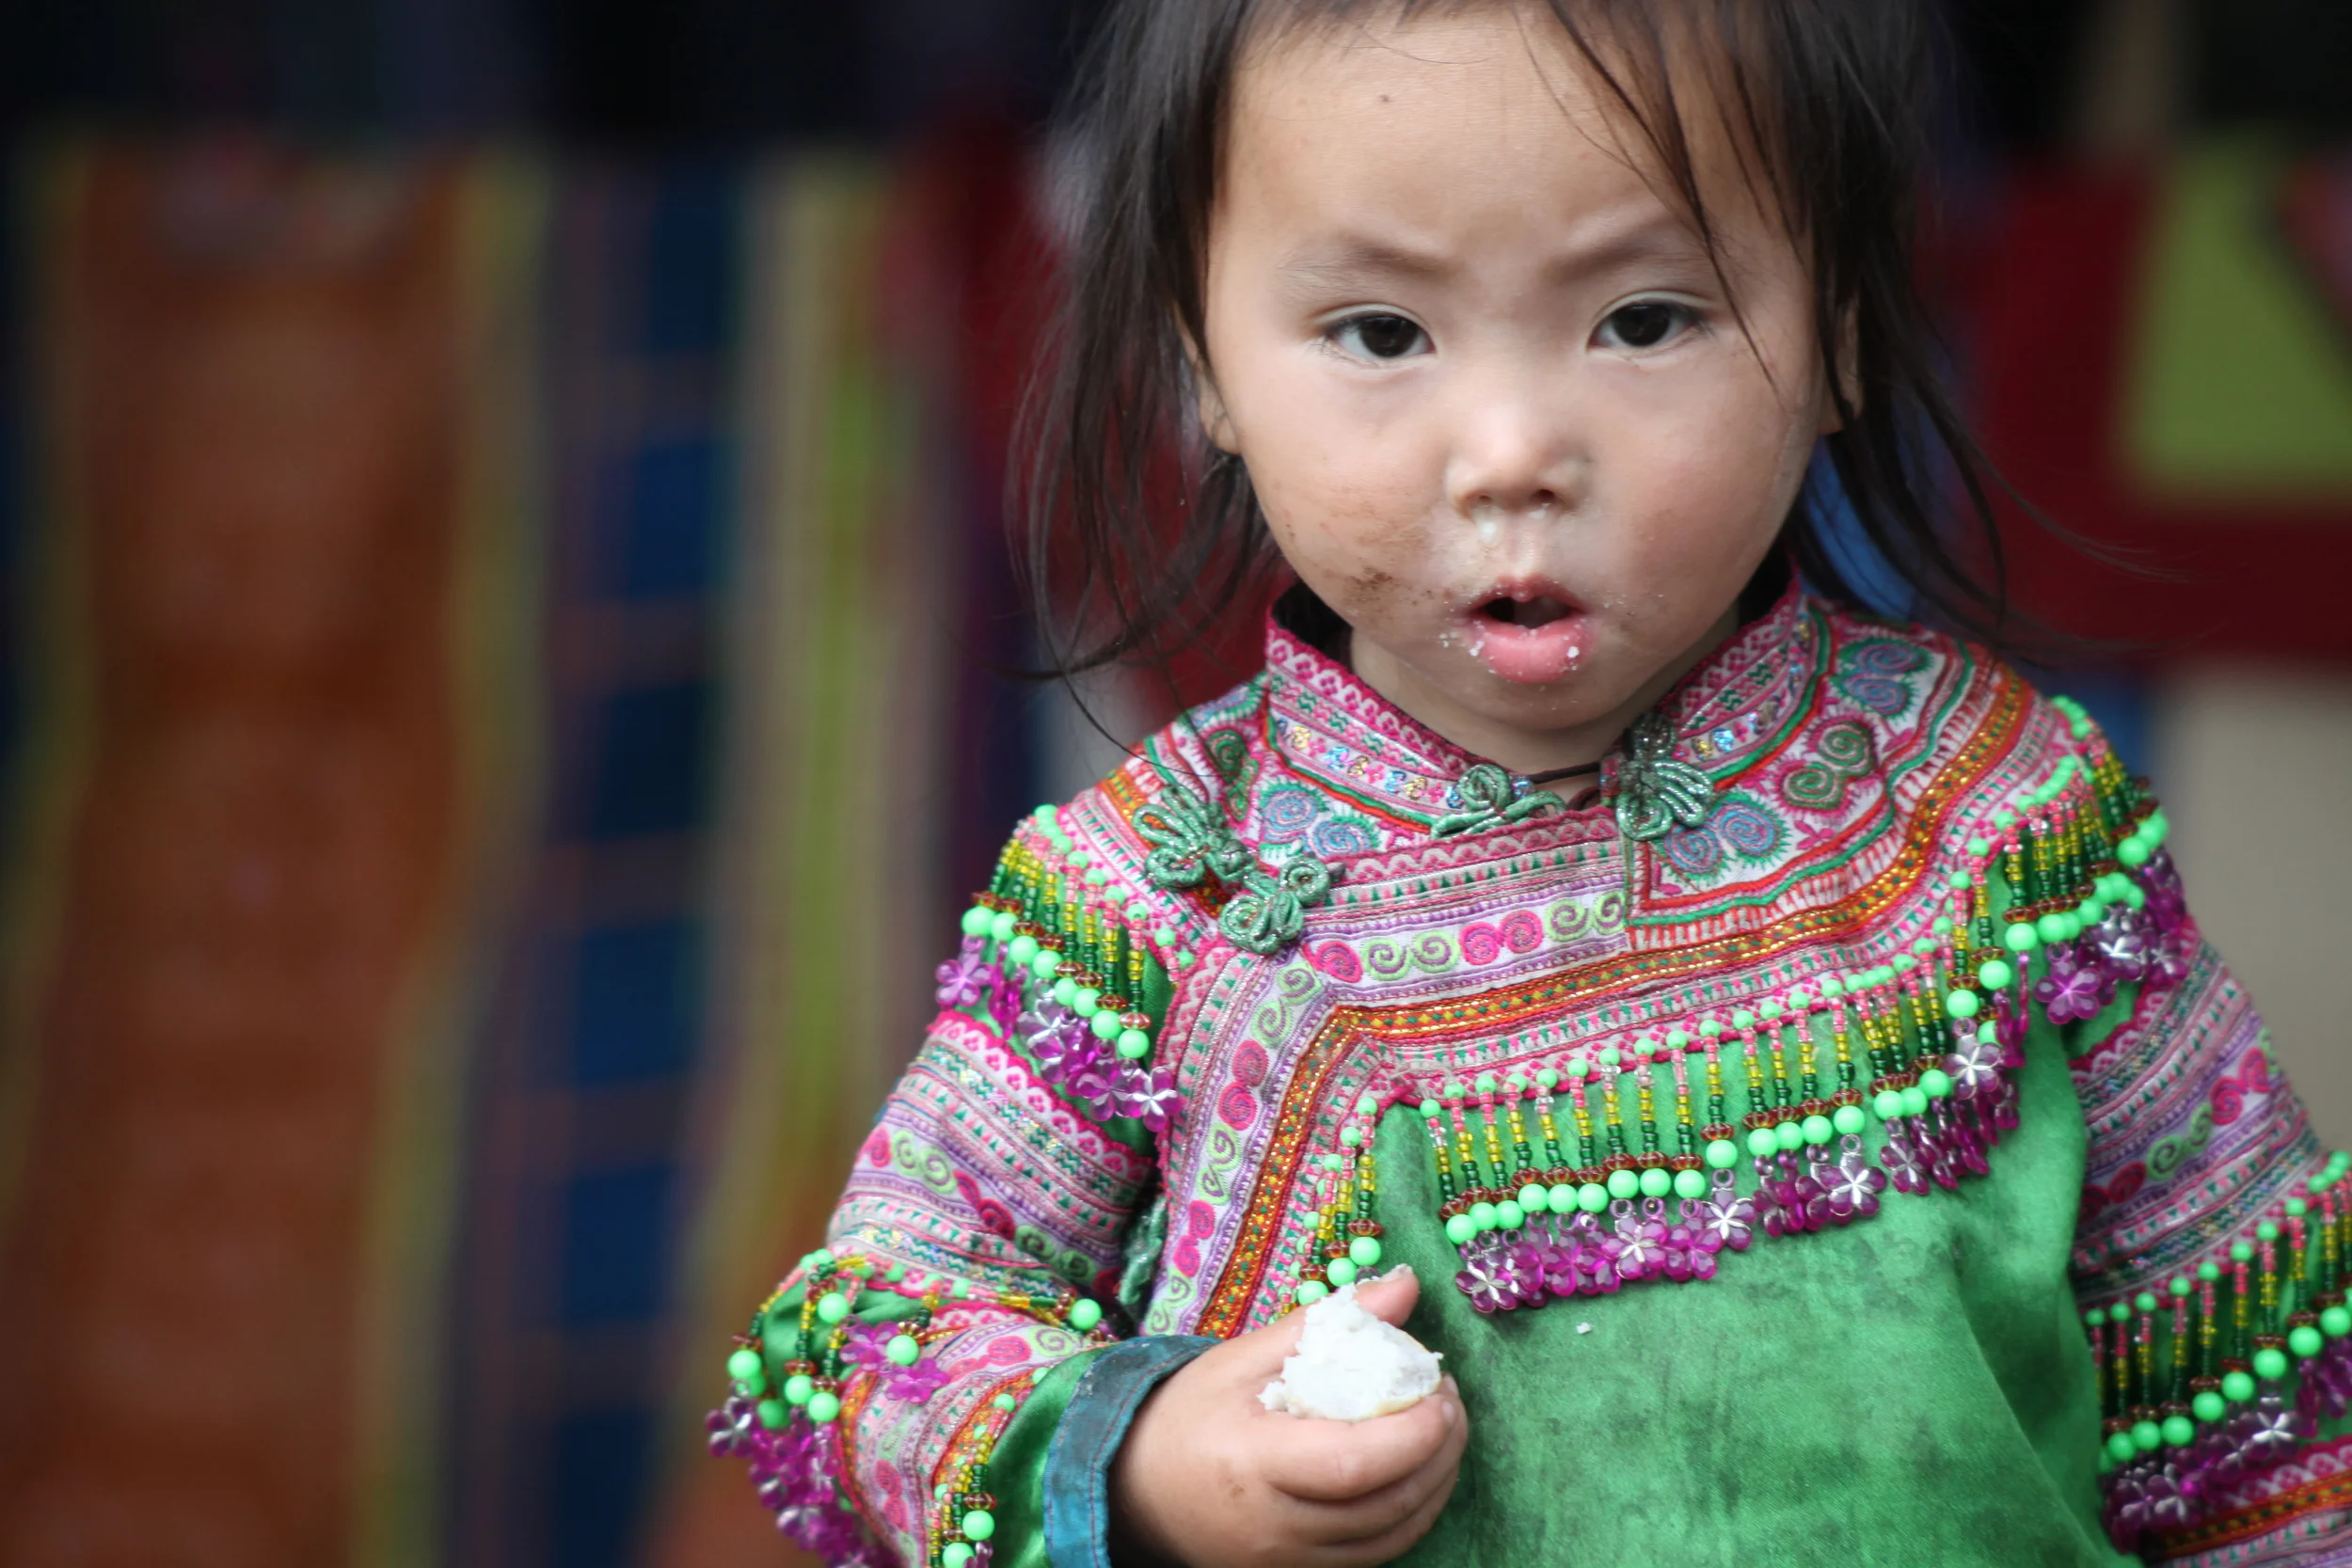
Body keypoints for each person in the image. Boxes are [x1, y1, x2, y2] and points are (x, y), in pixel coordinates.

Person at [707, 2, 2351, 1563]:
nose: (1509, 452)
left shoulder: (2004, 822)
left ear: (1842, 326)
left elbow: (2276, 1396)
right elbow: (863, 1344)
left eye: (1642, 320)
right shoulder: (1150, 899)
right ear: (1200, 363)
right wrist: (1144, 1454)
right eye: (1380, 332)